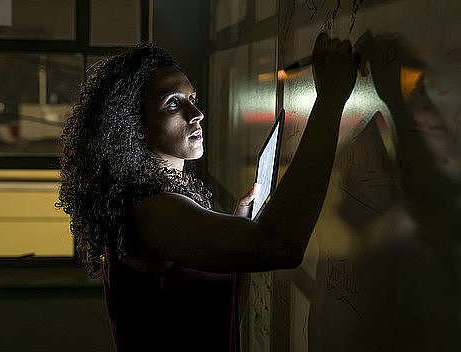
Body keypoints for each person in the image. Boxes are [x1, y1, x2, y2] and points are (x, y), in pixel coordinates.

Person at [57, 32, 359, 351]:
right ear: (135, 125)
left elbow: (225, 314)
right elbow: (282, 245)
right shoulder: (152, 213)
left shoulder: (164, 201)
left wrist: (241, 227)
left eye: (193, 99)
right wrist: (329, 99)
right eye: (174, 103)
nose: (196, 114)